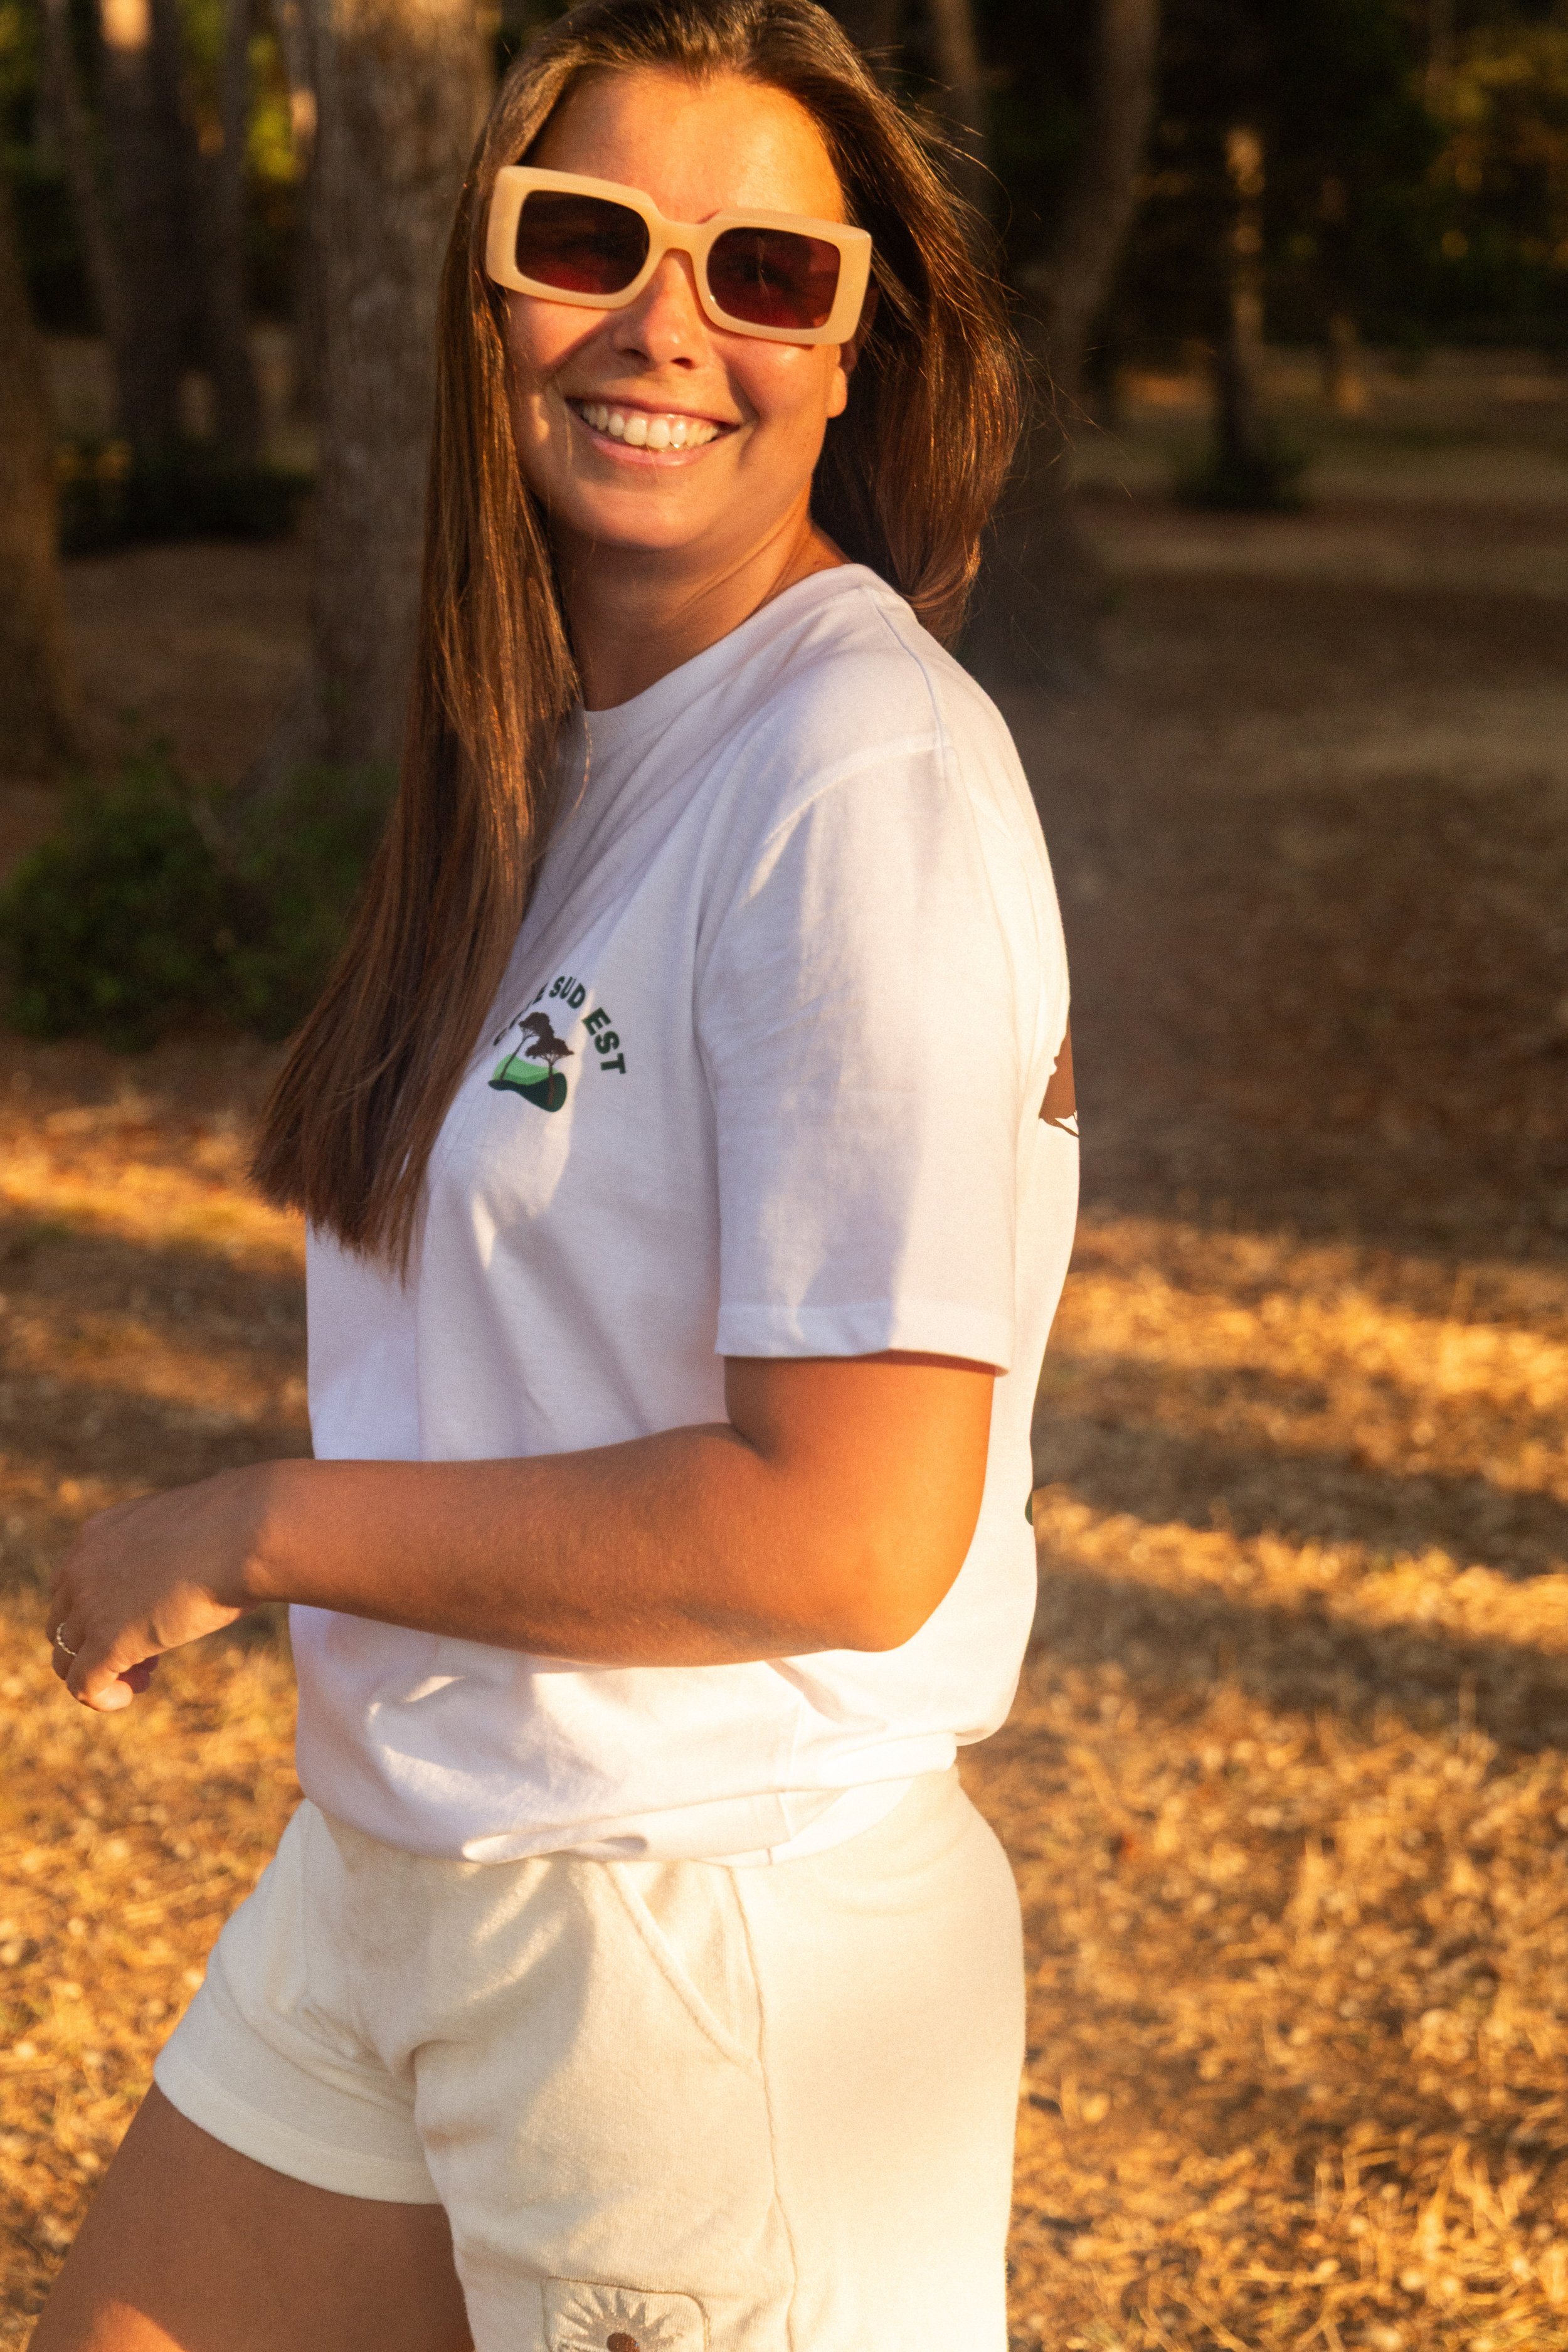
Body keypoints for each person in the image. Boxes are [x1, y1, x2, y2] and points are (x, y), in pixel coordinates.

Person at [36, 2, 1078, 2346]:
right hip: (413, 1857)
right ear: (489, 292)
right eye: (588, 238)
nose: (662, 324)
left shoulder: (857, 776)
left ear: (849, 357)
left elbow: (846, 1525)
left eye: (763, 277)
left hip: (698, 1931)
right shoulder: (562, 757)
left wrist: (264, 1526)